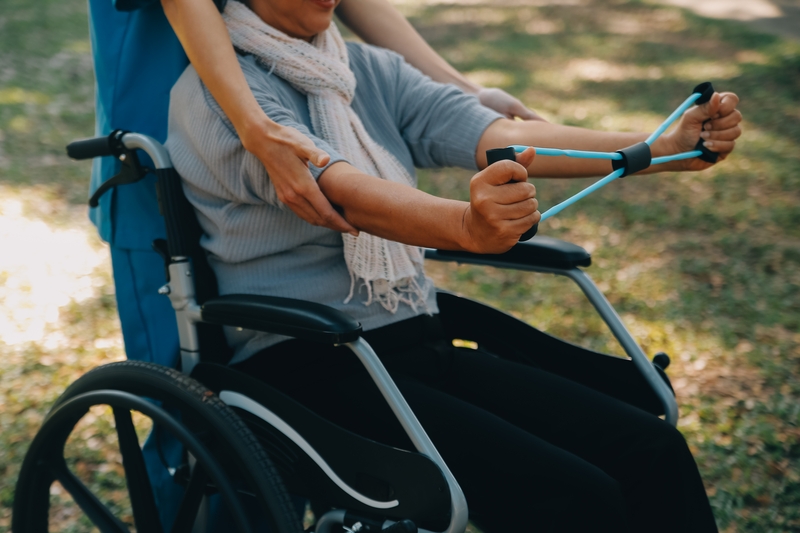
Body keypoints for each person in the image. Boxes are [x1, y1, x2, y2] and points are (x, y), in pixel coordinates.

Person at [165, 0, 742, 531]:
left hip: (411, 337)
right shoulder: (224, 101)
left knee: (653, 449)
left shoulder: (357, 66)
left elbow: (494, 133)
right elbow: (348, 194)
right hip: (308, 362)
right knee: (576, 495)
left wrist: (655, 147)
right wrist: (467, 226)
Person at [87, 0, 543, 525]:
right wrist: (252, 124)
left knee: (304, 426)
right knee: (196, 426)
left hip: (285, 88)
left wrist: (461, 89)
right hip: (173, 150)